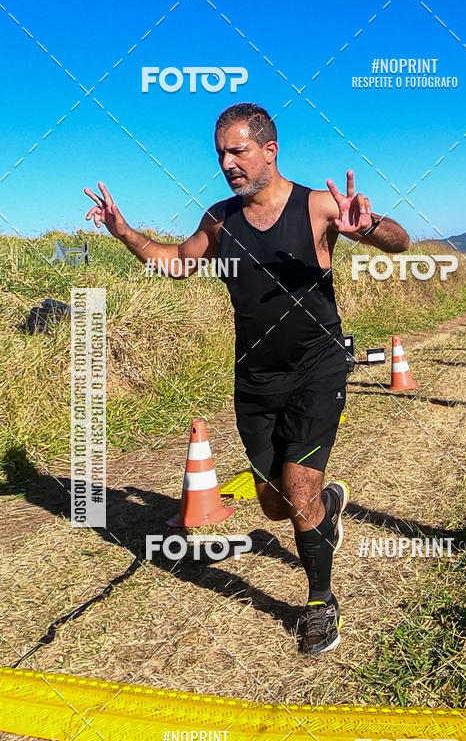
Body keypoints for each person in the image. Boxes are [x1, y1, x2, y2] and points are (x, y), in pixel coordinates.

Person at [84, 102, 409, 656]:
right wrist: (123, 231)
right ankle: (326, 506)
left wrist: (370, 227)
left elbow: (403, 242)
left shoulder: (317, 205)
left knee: (299, 487)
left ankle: (318, 601)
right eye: (220, 154)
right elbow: (173, 262)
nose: (228, 163)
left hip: (317, 366)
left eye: (238, 150)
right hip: (255, 378)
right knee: (274, 503)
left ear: (269, 150)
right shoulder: (220, 219)